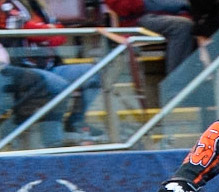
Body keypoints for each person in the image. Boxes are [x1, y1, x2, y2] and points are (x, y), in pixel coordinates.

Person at [1, 0, 103, 143]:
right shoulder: (5, 3)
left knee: (92, 73)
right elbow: (24, 28)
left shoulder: (41, 6)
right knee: (58, 86)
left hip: (50, 66)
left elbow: (60, 35)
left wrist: (43, 31)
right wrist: (46, 30)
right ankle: (52, 142)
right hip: (23, 71)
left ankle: (75, 122)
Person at [104, 0, 196, 73]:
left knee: (198, 24)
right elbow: (122, 7)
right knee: (182, 26)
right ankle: (176, 85)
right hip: (138, 19)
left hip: (170, 14)